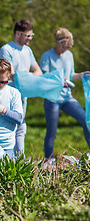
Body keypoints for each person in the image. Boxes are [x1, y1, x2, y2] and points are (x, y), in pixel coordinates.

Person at [40, 27, 90, 161]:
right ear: (57, 41)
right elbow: (44, 78)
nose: (65, 49)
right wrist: (59, 82)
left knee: (86, 120)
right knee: (52, 133)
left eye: (68, 47)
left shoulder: (69, 55)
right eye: (64, 46)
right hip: (52, 98)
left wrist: (82, 75)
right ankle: (48, 160)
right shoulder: (47, 56)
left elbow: (71, 75)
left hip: (67, 98)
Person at [0, 19, 42, 157]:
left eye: (31, 36)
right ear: (18, 33)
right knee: (10, 127)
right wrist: (25, 76)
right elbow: (7, 74)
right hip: (9, 94)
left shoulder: (28, 50)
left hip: (23, 94)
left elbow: (38, 71)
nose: (30, 39)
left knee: (21, 127)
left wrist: (26, 77)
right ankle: (8, 160)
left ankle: (19, 160)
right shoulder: (7, 49)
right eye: (28, 35)